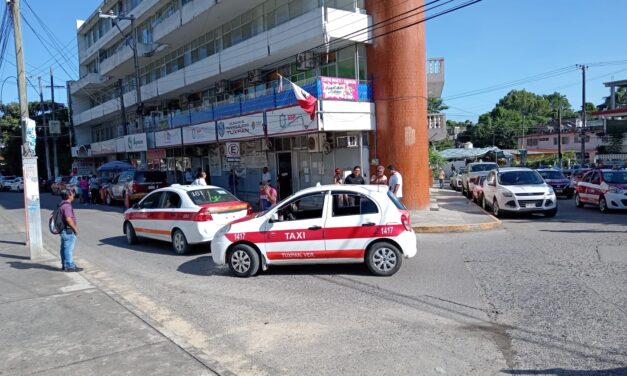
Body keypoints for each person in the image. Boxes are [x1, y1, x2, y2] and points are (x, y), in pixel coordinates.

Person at [58, 190, 82, 272]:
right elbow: (68, 219)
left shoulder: (61, 204)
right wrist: (75, 229)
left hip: (63, 230)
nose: (73, 195)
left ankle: (65, 265)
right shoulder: (67, 206)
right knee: (68, 249)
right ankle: (69, 266)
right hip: (68, 230)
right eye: (72, 194)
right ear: (69, 196)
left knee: (64, 248)